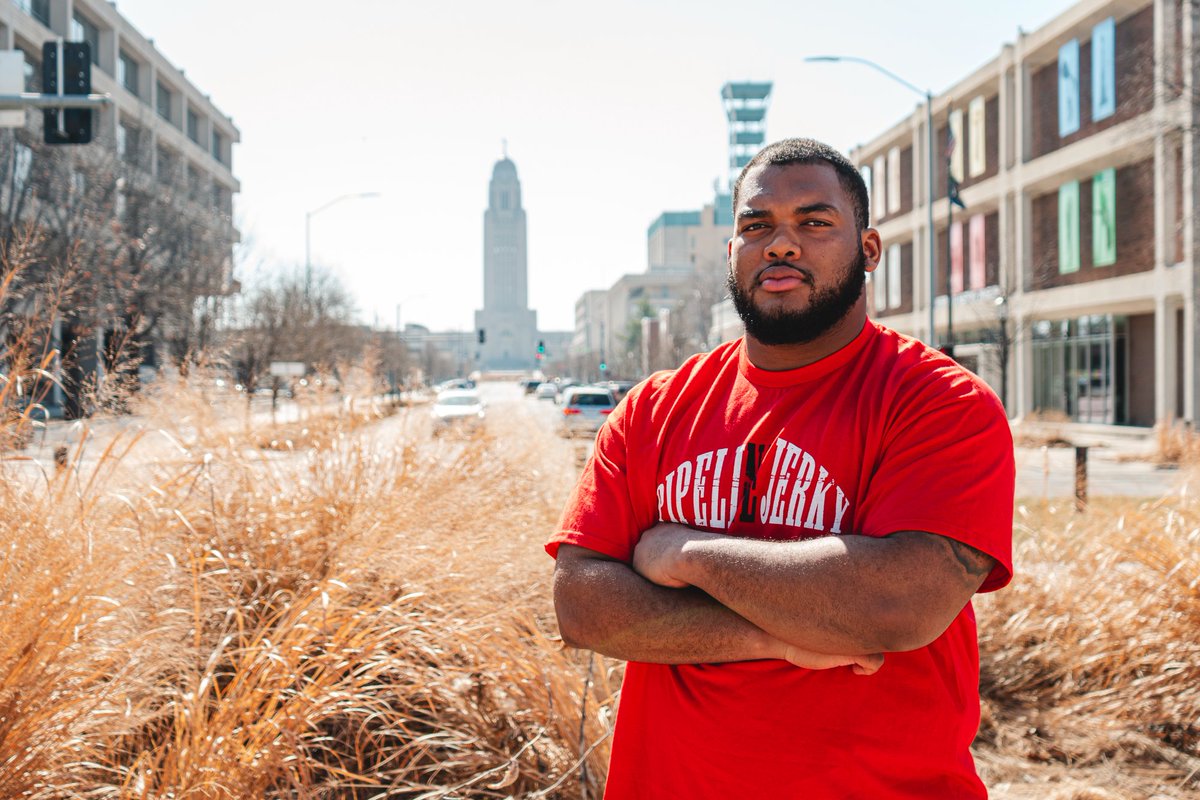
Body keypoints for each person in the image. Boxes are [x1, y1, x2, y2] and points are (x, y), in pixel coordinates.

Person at [547, 138, 1015, 799]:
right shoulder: (653, 410)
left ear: (869, 250)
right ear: (732, 252)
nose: (782, 244)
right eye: (756, 225)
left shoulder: (939, 403)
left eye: (815, 222)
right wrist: (781, 639)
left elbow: (897, 602)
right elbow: (582, 606)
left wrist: (684, 552)